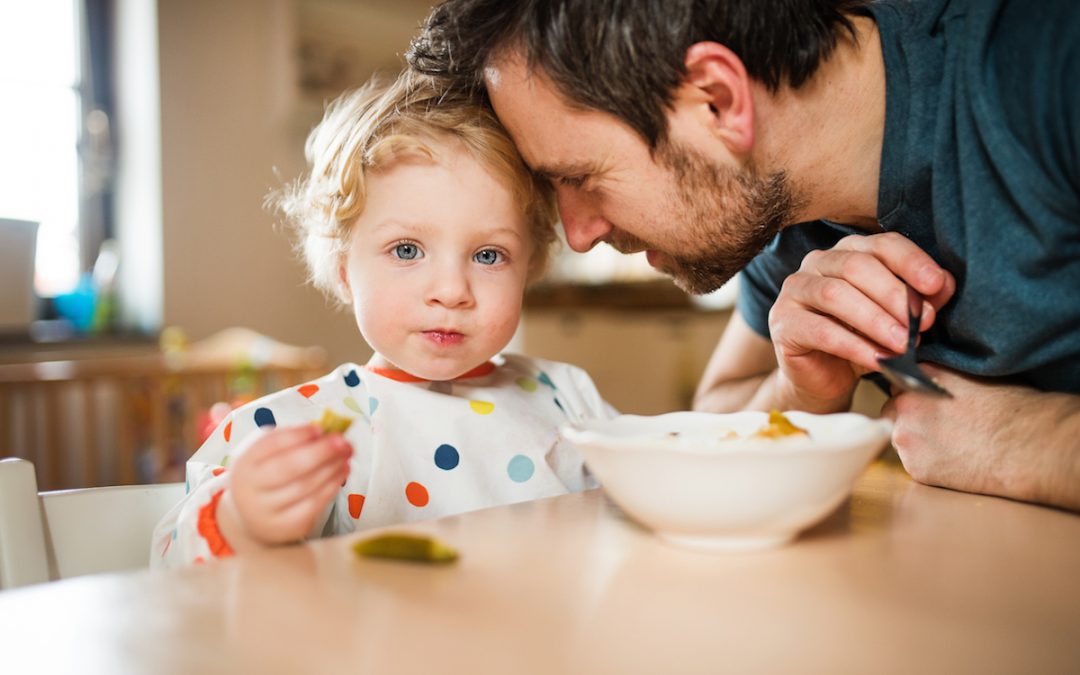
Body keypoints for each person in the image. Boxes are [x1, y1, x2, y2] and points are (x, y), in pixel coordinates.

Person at [407, 0, 1080, 511]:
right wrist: (803, 386)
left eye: (578, 176)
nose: (576, 233)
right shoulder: (781, 208)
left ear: (718, 99)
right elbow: (721, 411)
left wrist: (1025, 443)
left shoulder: (1045, 67)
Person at [151, 71, 614, 567]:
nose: (451, 291)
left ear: (530, 267)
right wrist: (241, 520)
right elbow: (173, 565)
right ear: (345, 270)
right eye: (408, 249)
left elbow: (637, 514)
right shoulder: (294, 429)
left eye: (488, 255)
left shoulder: (568, 397)